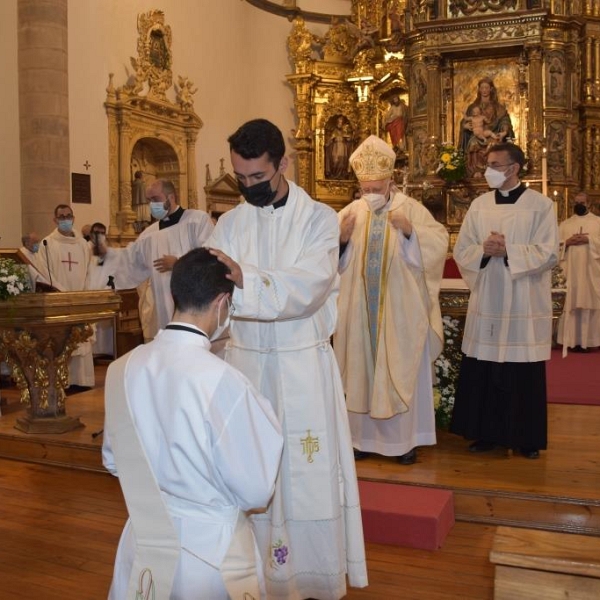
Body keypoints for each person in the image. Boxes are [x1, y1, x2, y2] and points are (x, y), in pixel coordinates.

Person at [206, 118, 368, 600]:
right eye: (242, 179)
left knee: (306, 472)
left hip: (302, 368)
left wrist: (245, 279)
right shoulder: (230, 223)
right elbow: (218, 292)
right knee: (251, 472)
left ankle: (311, 575)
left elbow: (310, 286)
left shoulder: (319, 219)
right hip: (247, 367)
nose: (249, 187)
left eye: (258, 177)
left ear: (283, 164)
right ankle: (254, 577)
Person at [102, 247, 283, 600]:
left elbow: (113, 460)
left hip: (145, 539)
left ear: (173, 294)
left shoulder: (121, 368)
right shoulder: (225, 383)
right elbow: (257, 489)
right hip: (211, 553)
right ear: (222, 304)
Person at [335, 135, 448, 465]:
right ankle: (360, 440)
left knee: (398, 370)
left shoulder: (410, 209)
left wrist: (412, 231)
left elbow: (438, 243)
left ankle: (403, 443)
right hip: (356, 314)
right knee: (359, 371)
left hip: (399, 314)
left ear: (390, 181)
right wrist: (340, 241)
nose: (370, 194)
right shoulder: (349, 213)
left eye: (376, 187)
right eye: (365, 189)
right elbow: (330, 262)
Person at [450, 143, 559, 459]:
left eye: (495, 164)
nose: (488, 170)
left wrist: (509, 250)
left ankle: (526, 438)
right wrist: (484, 249)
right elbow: (463, 249)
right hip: (489, 297)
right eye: (488, 163)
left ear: (513, 168)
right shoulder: (480, 205)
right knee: (485, 365)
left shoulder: (540, 206)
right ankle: (486, 434)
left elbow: (549, 251)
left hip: (523, 298)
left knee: (521, 370)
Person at [99, 179, 214, 340]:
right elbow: (130, 260)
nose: (152, 205)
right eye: (149, 200)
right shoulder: (149, 234)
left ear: (171, 197)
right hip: (163, 308)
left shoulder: (197, 220)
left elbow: (211, 256)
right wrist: (108, 256)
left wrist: (179, 263)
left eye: (155, 199)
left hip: (195, 304)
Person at [42, 205, 95, 387]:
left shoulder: (82, 244)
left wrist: (84, 293)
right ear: (55, 220)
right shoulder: (47, 244)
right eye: (61, 216)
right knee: (62, 340)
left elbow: (90, 270)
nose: (65, 219)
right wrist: (64, 294)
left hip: (81, 299)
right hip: (61, 300)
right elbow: (46, 273)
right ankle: (63, 381)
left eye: (68, 216)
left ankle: (81, 380)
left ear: (73, 217)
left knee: (81, 338)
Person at [557, 191, 600, 354]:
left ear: (589, 204)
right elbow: (555, 246)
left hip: (590, 272)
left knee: (589, 304)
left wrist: (589, 240)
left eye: (582, 202)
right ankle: (570, 341)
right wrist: (567, 242)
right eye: (576, 202)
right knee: (571, 304)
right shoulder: (565, 224)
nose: (579, 205)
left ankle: (589, 341)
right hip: (571, 272)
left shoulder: (597, 222)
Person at [459, 77, 514, 177]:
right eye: (482, 88)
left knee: (494, 144)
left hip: (492, 135)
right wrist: (465, 126)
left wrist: (504, 132)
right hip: (476, 135)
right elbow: (465, 120)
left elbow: (504, 120)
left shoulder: (497, 107)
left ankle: (493, 169)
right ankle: (476, 170)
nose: (484, 90)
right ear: (479, 90)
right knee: (473, 143)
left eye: (486, 88)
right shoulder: (473, 107)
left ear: (491, 89)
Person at [86, 222, 115, 357]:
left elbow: (112, 270)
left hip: (104, 289)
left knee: (103, 326)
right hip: (89, 291)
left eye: (103, 233)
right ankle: (92, 353)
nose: (100, 236)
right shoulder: (85, 249)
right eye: (97, 233)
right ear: (91, 234)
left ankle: (104, 352)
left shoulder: (108, 251)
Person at [325, 115, 353, 179]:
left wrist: (349, 138)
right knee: (335, 162)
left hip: (343, 148)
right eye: (339, 122)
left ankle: (342, 175)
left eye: (341, 123)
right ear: (337, 123)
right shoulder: (334, 131)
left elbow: (349, 140)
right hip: (336, 148)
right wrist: (328, 142)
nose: (340, 124)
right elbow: (329, 141)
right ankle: (335, 175)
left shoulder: (344, 131)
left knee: (342, 162)